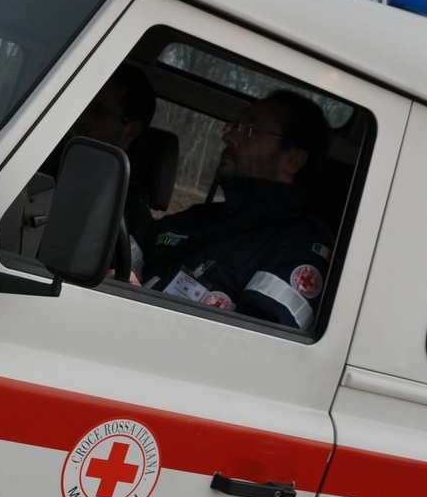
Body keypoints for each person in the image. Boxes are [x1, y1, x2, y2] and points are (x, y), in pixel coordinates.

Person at [137, 89, 333, 331]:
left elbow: (252, 346)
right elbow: (126, 252)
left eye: (249, 130)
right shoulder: (199, 216)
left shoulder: (300, 245)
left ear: (292, 160)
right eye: (234, 126)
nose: (229, 136)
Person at [72, 63, 157, 241]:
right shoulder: (47, 157)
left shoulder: (126, 209)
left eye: (97, 111)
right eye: (82, 104)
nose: (81, 117)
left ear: (131, 131)